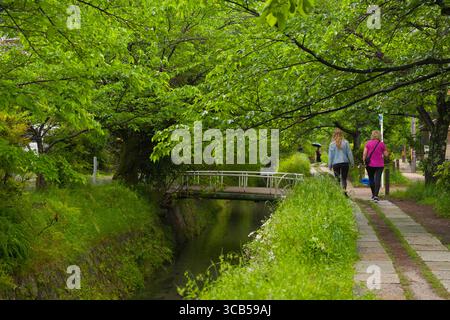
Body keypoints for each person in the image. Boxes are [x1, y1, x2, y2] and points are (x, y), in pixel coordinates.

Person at [363, 130, 389, 203]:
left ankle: (373, 194)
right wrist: (385, 152)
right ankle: (376, 196)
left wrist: (364, 161)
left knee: (371, 179)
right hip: (379, 165)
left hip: (370, 164)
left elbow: (364, 154)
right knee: (378, 179)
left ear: (372, 135)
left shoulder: (368, 143)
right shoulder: (381, 144)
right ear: (379, 136)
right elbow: (386, 154)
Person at [328, 129, 354, 194]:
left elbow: (330, 156)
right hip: (345, 163)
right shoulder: (346, 142)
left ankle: (338, 193)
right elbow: (349, 153)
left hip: (335, 164)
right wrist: (352, 163)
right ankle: (344, 191)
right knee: (344, 179)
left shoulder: (332, 144)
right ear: (342, 134)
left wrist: (330, 165)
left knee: (337, 179)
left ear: (334, 135)